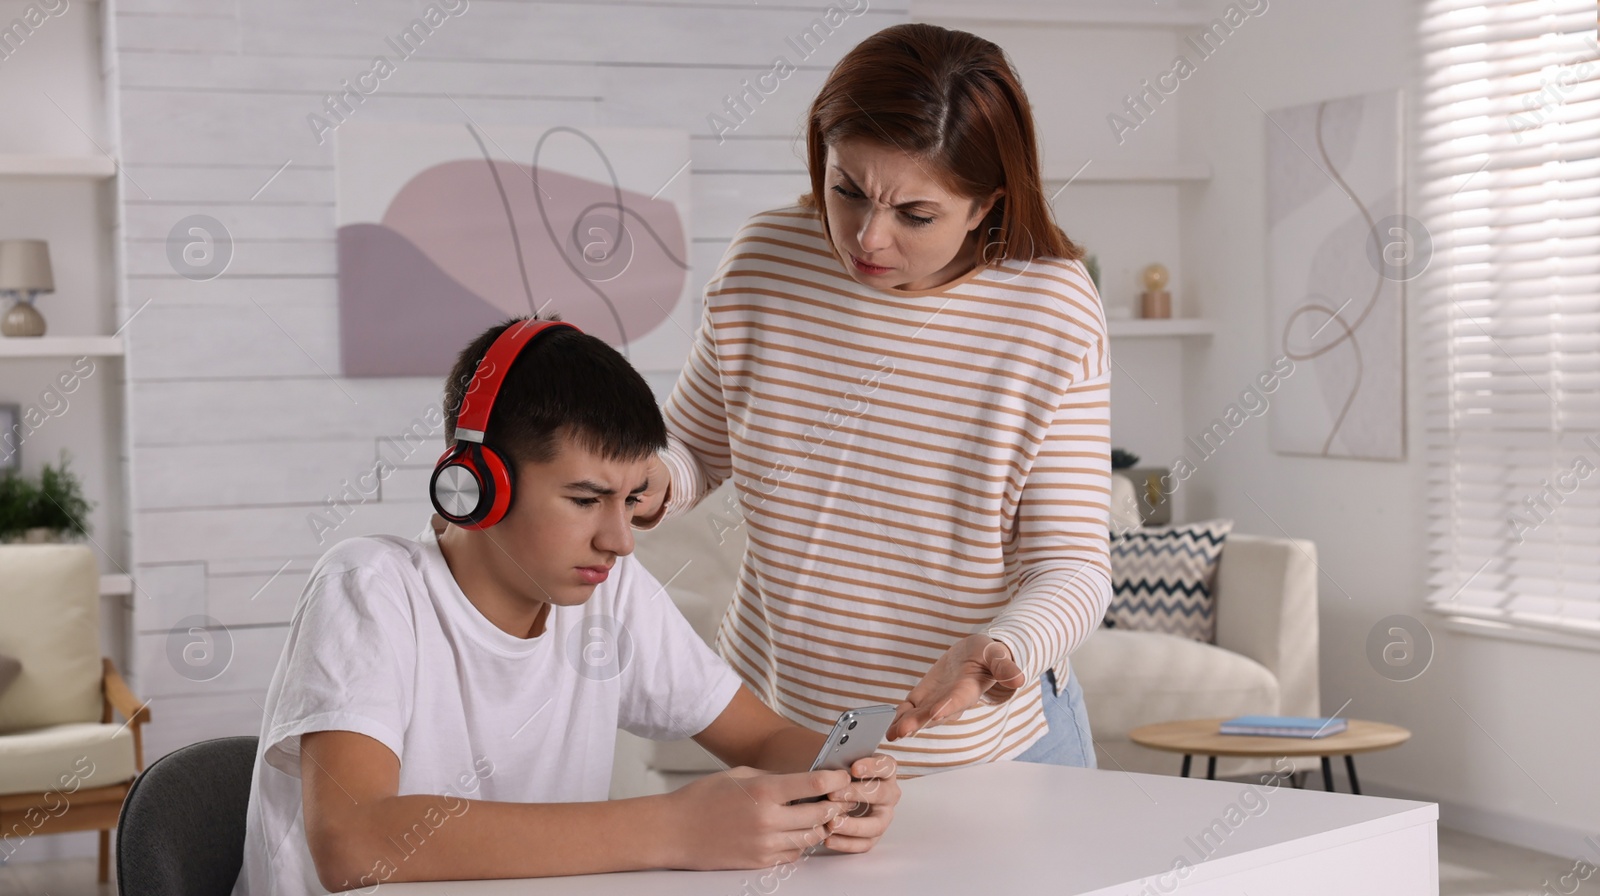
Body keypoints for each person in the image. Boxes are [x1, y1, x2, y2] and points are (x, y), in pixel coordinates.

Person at [232, 317, 900, 895]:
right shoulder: (370, 588)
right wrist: (674, 827)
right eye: (586, 500)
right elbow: (353, 842)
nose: (619, 540)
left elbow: (759, 737)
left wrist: (844, 774)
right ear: (474, 488)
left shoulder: (611, 595)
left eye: (632, 500)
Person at [632, 22, 1112, 775]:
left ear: (985, 205)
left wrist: (1002, 649)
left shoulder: (1050, 309)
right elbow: (691, 449)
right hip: (786, 733)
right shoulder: (766, 262)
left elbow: (1074, 563)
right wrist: (644, 484)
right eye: (846, 190)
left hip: (988, 751)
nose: (867, 238)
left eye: (914, 215)